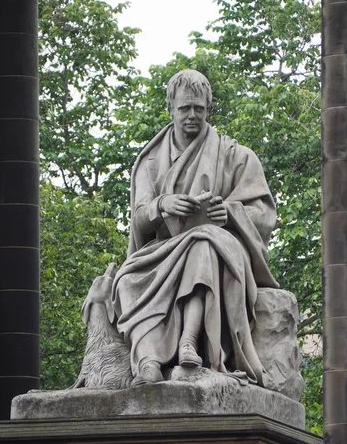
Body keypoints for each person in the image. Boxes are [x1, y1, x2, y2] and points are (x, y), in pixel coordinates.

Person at [112, 69, 279, 386]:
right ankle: (148, 362)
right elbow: (138, 218)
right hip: (160, 253)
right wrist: (162, 205)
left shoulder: (235, 156)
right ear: (170, 108)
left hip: (216, 248)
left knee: (202, 244)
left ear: (209, 109)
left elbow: (264, 215)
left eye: (198, 109)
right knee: (127, 280)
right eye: (184, 108)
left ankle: (190, 342)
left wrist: (228, 213)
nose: (191, 116)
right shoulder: (149, 162)